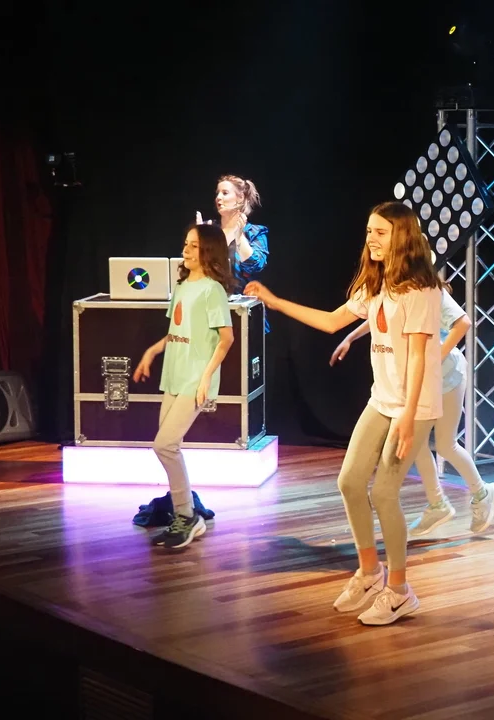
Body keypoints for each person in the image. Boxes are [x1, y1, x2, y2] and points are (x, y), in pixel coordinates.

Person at [244, 201, 443, 626]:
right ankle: (370, 573)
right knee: (350, 482)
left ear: (402, 237)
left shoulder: (422, 290)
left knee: (384, 493)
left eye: (380, 232)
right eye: (369, 231)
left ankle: (400, 591)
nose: (371, 239)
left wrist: (409, 417)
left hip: (414, 406)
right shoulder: (377, 284)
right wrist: (275, 302)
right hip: (381, 400)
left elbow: (419, 358)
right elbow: (332, 321)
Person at [330, 284, 494, 535]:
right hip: (419, 381)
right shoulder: (397, 290)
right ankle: (438, 504)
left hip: (447, 377)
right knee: (413, 442)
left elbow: (463, 323)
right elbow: (380, 317)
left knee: (445, 445)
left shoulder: (430, 291)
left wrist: (434, 360)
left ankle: (483, 493)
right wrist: (351, 337)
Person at [133, 223, 235, 550]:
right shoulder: (182, 287)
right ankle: (186, 513)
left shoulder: (211, 290)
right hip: (174, 375)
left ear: (208, 251)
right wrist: (153, 350)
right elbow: (177, 331)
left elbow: (226, 338)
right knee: (168, 446)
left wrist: (206, 377)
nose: (186, 250)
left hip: (195, 379)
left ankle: (187, 515)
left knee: (164, 445)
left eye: (193, 246)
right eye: (186, 244)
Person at [196, 174, 271, 331]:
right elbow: (193, 268)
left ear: (240, 198)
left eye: (225, 193)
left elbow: (256, 266)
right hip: (209, 313)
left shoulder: (255, 232)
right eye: (217, 193)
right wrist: (197, 241)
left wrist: (240, 236)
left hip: (245, 316)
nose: (218, 198)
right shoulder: (209, 228)